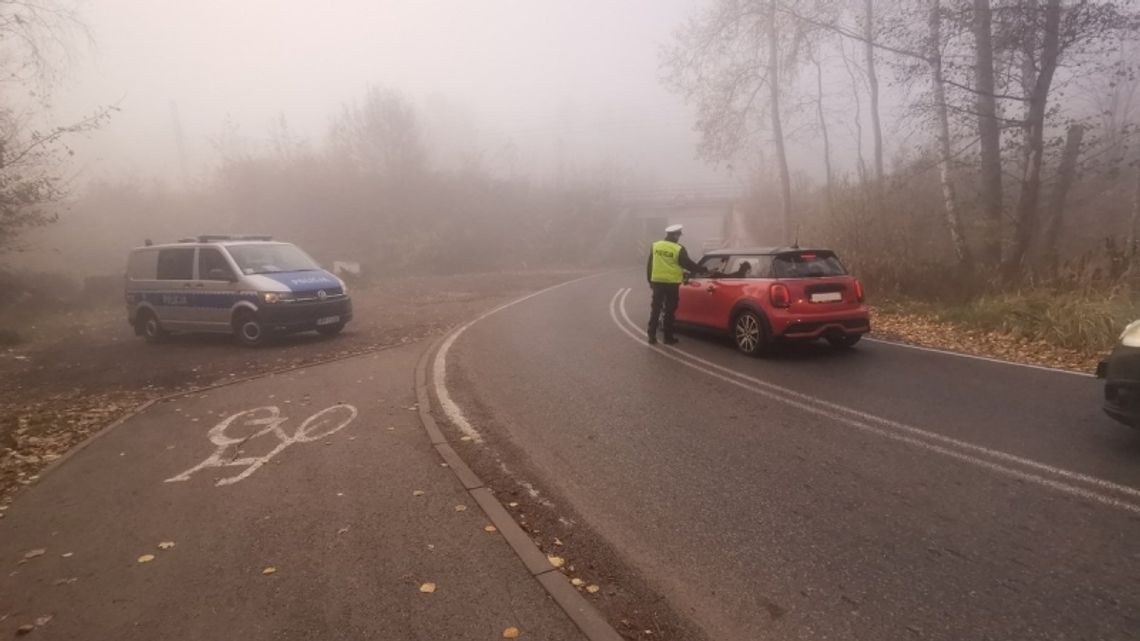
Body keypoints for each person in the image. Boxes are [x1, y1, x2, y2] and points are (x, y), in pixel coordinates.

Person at [646, 224, 704, 345]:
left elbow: (650, 264)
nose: (679, 237)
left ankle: (651, 336)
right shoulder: (678, 248)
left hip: (657, 282)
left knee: (655, 309)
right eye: (679, 235)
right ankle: (668, 338)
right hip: (671, 284)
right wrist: (702, 270)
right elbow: (687, 264)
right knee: (669, 310)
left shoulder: (655, 245)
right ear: (676, 235)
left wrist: (650, 281)